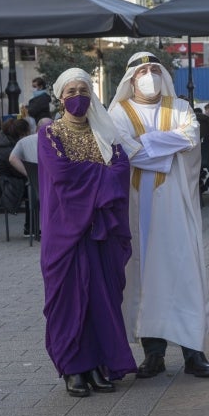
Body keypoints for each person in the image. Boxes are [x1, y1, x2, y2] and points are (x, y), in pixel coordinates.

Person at [109, 52, 209, 380]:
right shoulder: (119, 111)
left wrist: (148, 145)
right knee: (143, 277)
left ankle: (193, 353)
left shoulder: (180, 108)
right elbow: (126, 150)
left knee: (182, 273)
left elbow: (190, 138)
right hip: (138, 207)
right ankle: (152, 354)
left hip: (176, 206)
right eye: (142, 70)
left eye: (155, 69)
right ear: (131, 77)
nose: (149, 75)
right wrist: (166, 150)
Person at [38, 68, 136, 397]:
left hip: (100, 232)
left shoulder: (103, 131)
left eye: (83, 89)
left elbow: (122, 168)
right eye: (71, 90)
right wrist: (100, 174)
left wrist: (93, 174)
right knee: (67, 299)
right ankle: (73, 367)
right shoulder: (49, 133)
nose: (77, 96)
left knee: (101, 299)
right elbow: (62, 175)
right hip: (66, 230)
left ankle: (98, 364)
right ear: (60, 96)